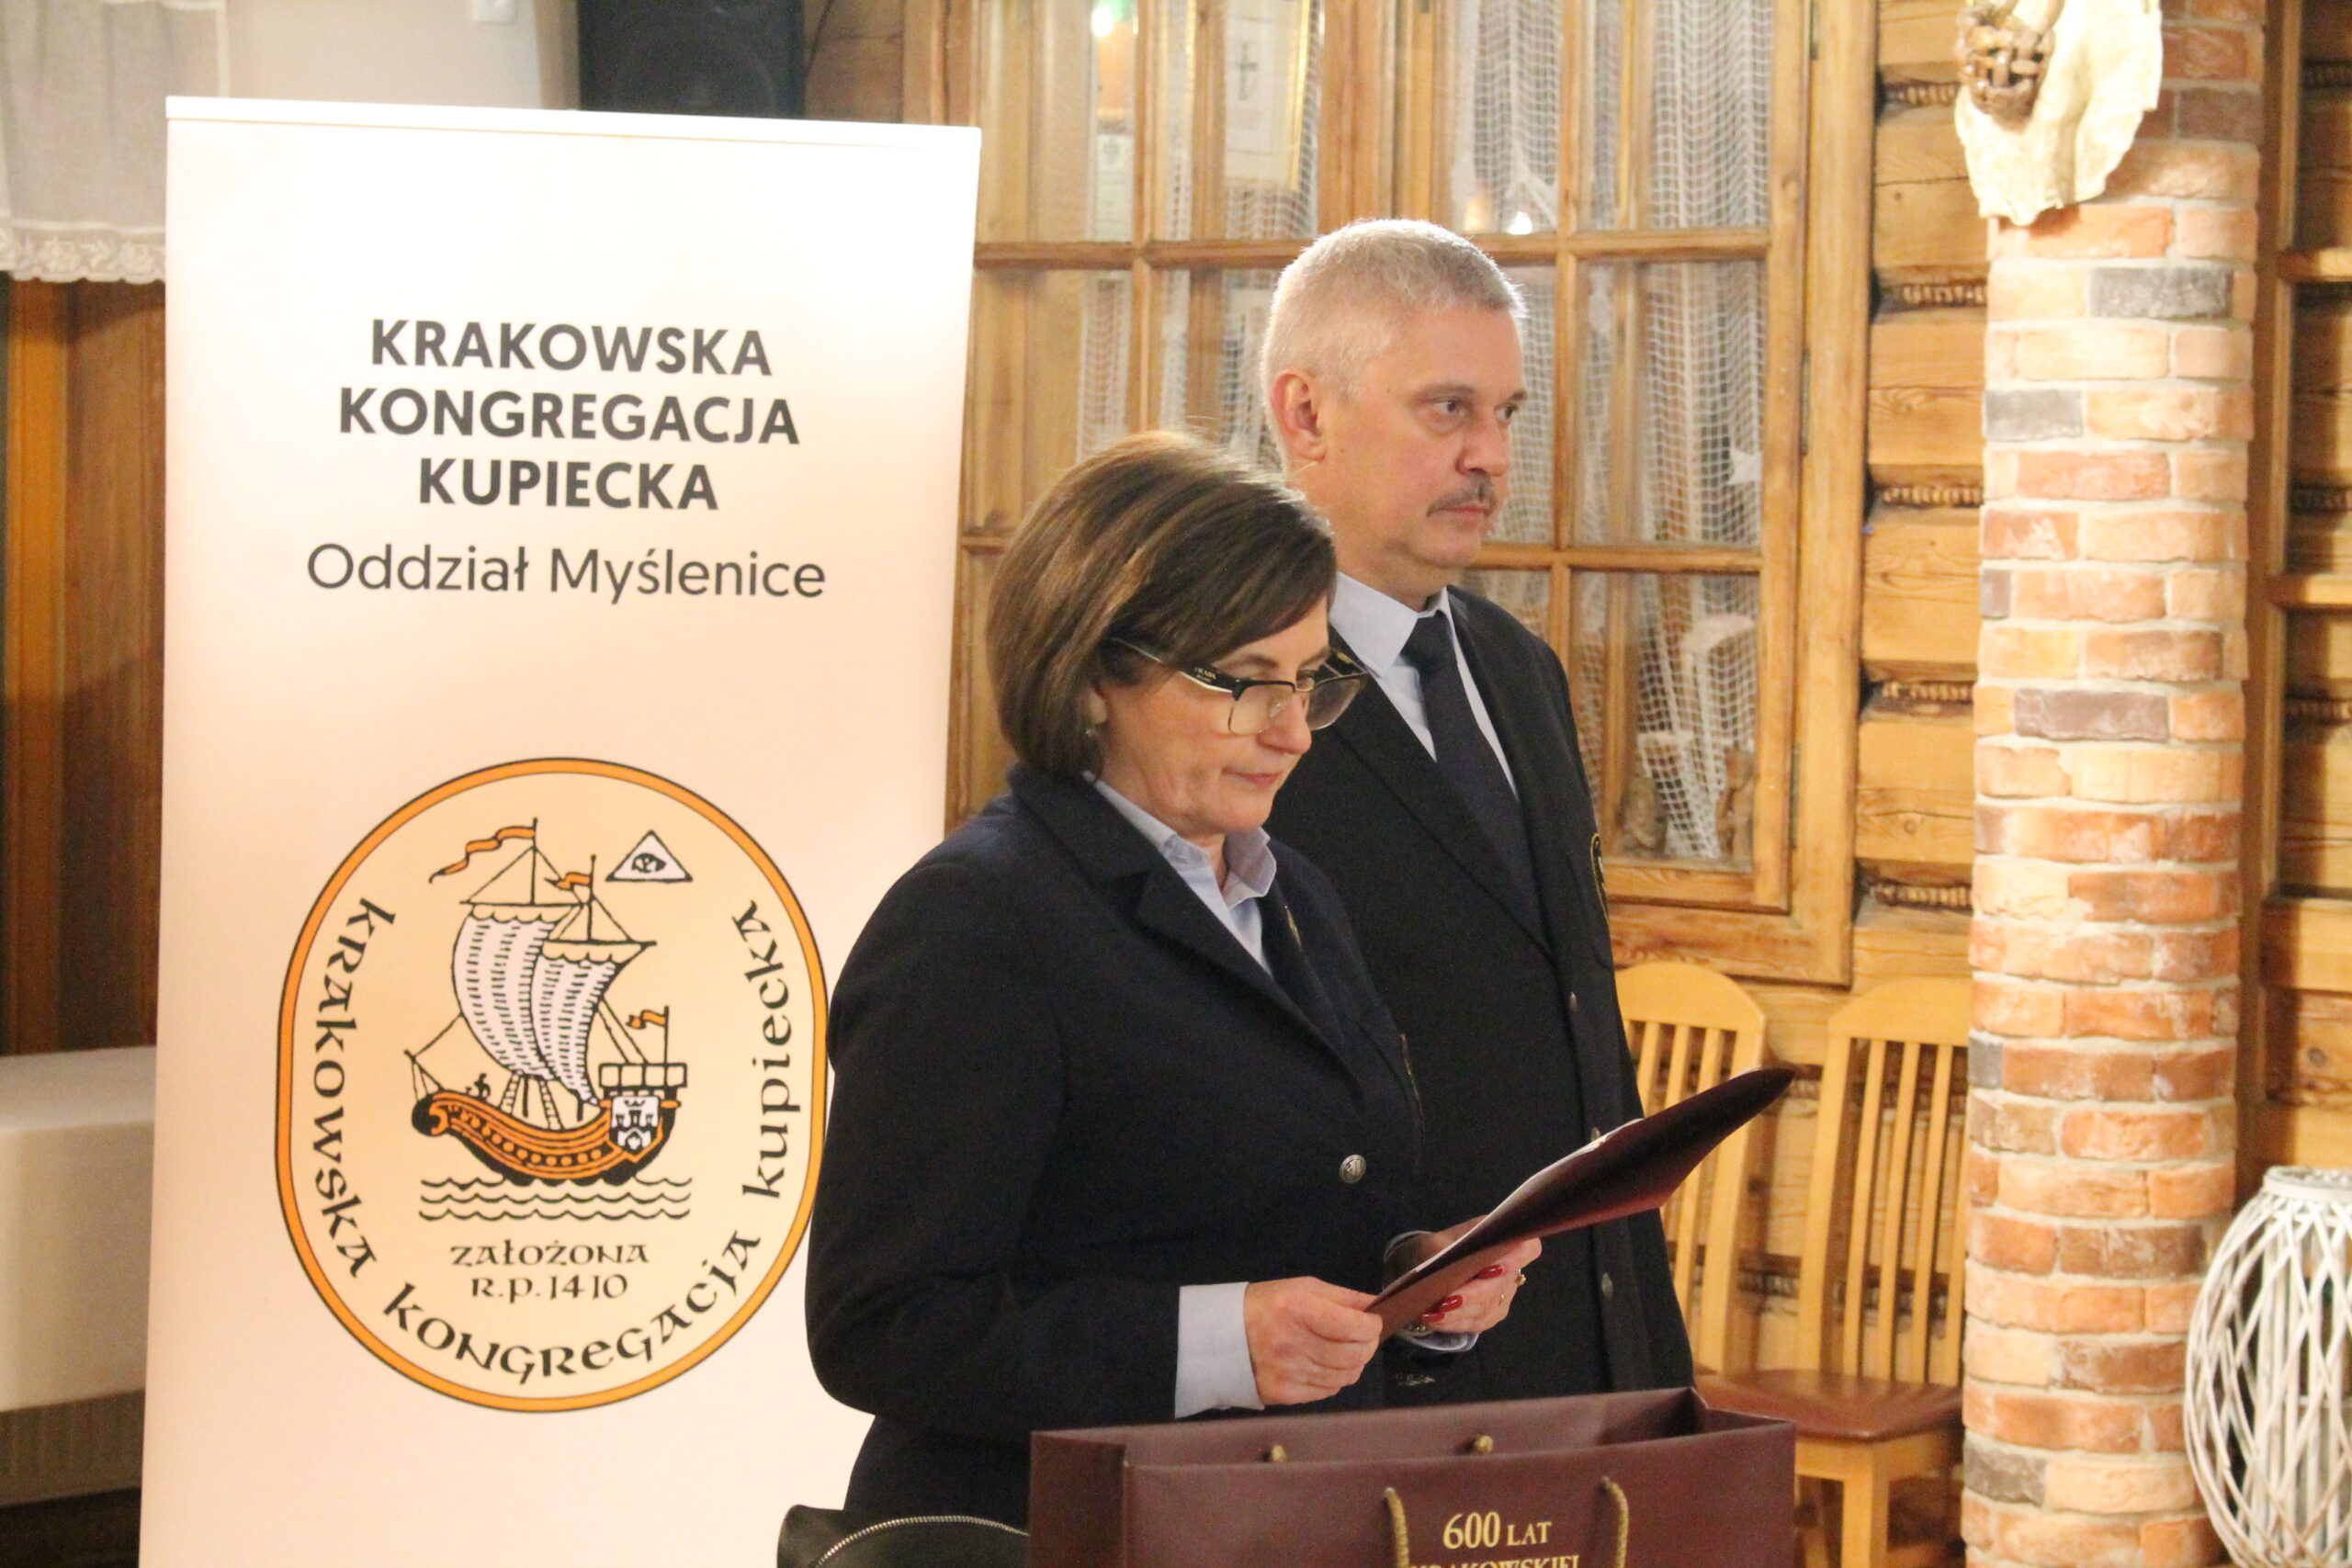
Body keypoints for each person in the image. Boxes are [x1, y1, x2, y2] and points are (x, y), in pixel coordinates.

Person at [806, 432, 1539, 1529]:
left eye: (1310, 682)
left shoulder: (1294, 894)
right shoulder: (975, 919)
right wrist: (1219, 1345)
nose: (1292, 734)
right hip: (1046, 1533)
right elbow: (882, 1327)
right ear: (1094, 673)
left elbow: (1279, 1210)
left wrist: (1412, 1286)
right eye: (1243, 683)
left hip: (1276, 1523)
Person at [1261, 220, 1694, 1404]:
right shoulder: (1228, 700)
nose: (1490, 457)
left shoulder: (1516, 667)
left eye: (1505, 413)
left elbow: (1567, 1015)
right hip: (1367, 1374)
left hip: (1587, 1344)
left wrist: (1641, 1348)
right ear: (1306, 415)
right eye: (1446, 410)